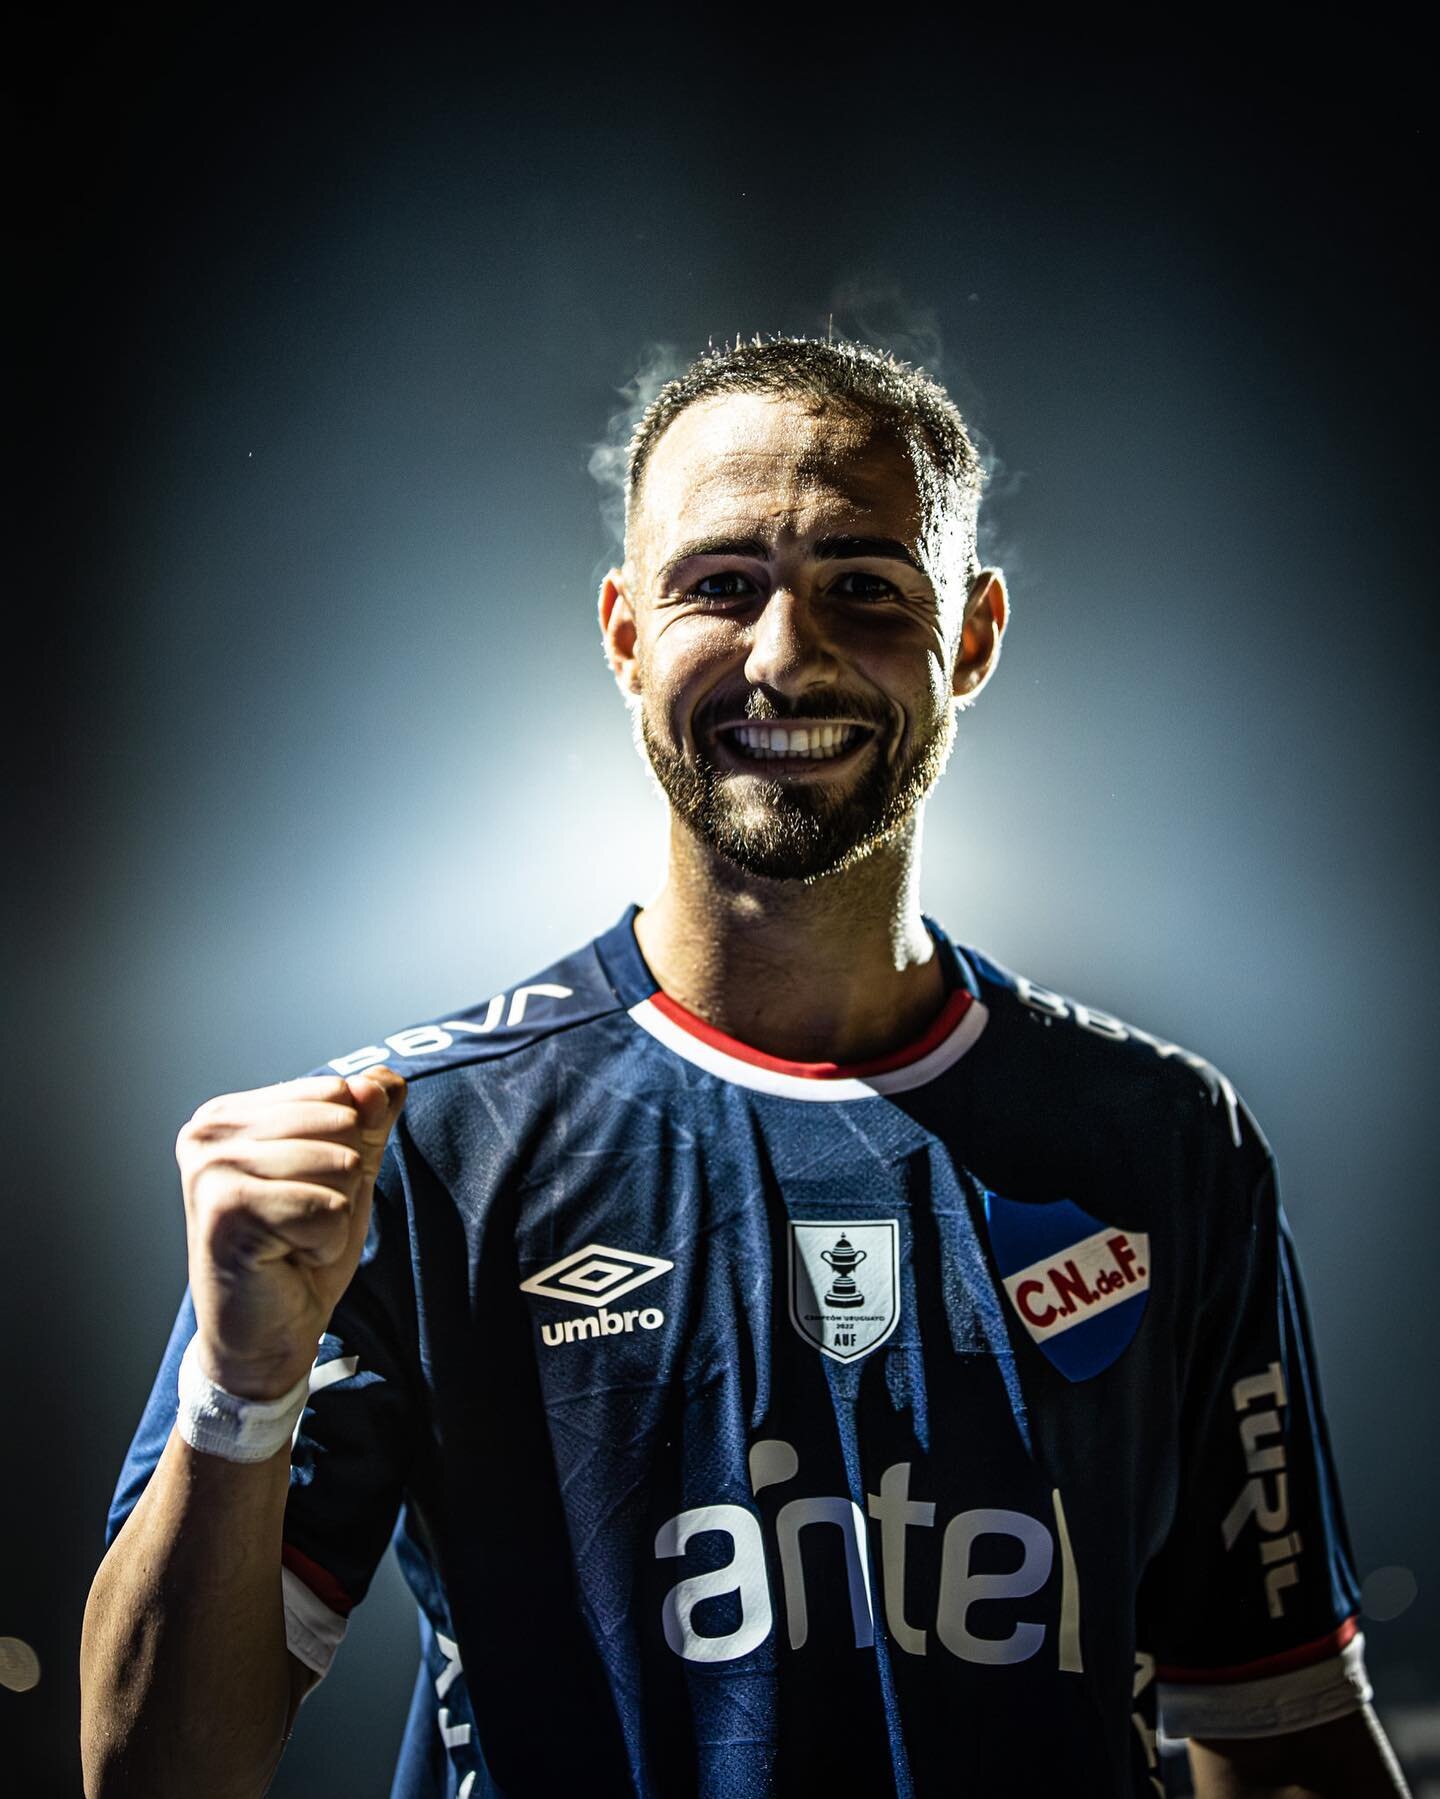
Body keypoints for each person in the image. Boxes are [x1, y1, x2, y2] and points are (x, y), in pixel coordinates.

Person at [81, 338, 1410, 1798]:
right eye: (720, 585)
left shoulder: (1162, 1142)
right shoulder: (414, 1145)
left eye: (865, 586)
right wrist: (242, 1385)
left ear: (971, 635)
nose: (787, 653)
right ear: (624, 633)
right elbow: (149, 1769)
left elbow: (1276, 1738)